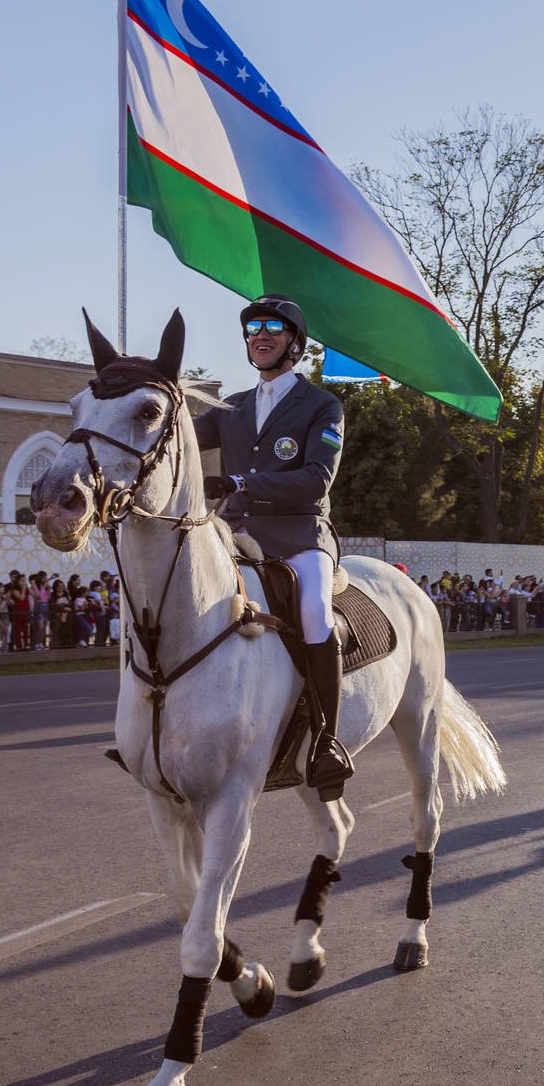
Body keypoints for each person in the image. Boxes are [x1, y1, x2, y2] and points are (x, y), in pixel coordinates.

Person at [193, 293, 357, 800]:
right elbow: (173, 439)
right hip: (237, 534)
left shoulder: (322, 405)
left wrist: (241, 481)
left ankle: (327, 740)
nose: (259, 334)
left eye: (272, 327)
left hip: (299, 533)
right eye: (252, 327)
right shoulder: (231, 407)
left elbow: (316, 479)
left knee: (314, 613)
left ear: (295, 344)